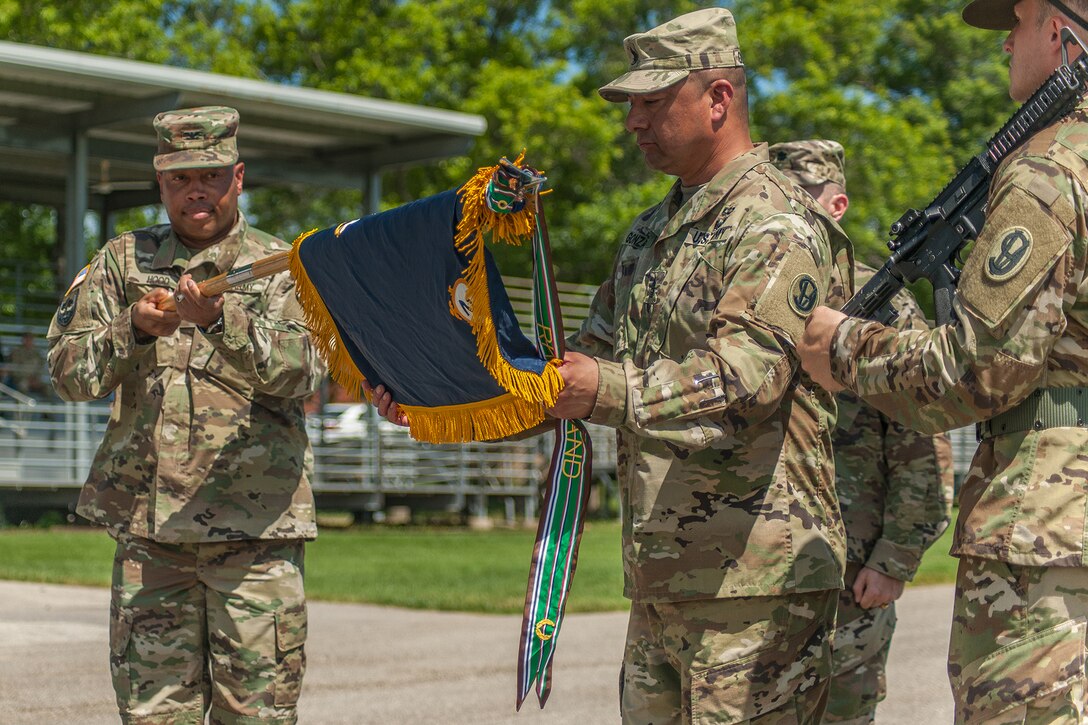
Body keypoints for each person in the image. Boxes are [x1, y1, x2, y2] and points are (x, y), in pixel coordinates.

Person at [798, 1, 1088, 721]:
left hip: (1049, 528)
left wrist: (843, 346)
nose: (1004, 44)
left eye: (1015, 25)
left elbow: (974, 371)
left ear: (1058, 35)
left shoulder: (1049, 176)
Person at [47, 106, 322, 725]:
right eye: (180, 178)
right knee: (153, 717)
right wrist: (132, 331)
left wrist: (221, 322)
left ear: (238, 176)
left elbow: (306, 370)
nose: (196, 189)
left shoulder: (283, 265)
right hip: (152, 540)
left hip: (254, 540)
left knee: (258, 716)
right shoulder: (123, 262)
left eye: (211, 174)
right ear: (161, 182)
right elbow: (67, 372)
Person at [770, 140, 954, 724]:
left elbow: (923, 440)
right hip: (753, 567)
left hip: (850, 577)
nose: (792, 217)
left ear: (839, 205)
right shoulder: (751, 293)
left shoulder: (882, 306)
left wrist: (895, 556)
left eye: (807, 202)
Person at [9, 330, 46, 397]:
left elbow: (40, 368)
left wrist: (35, 379)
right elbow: (14, 369)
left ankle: (48, 406)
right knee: (22, 387)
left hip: (35, 379)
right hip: (21, 379)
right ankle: (24, 406)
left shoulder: (37, 354)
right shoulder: (16, 352)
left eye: (30, 339)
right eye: (26, 338)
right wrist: (27, 379)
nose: (28, 341)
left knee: (48, 388)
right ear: (23, 340)